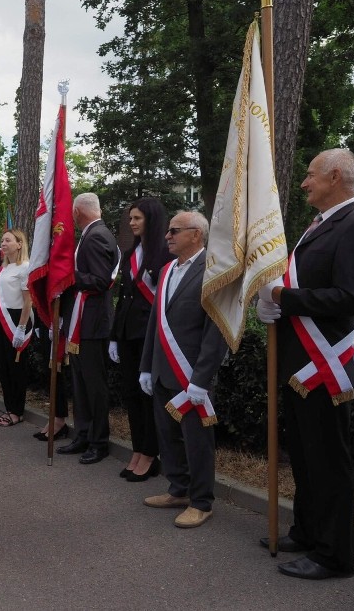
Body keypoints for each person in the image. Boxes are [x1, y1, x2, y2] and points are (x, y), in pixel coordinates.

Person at [257, 148, 354, 579]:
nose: (305, 182)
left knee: (328, 460)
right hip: (300, 361)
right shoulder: (320, 225)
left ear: (335, 177)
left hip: (324, 364)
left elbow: (349, 298)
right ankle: (307, 531)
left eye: (311, 175)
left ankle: (334, 554)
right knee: (305, 457)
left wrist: (282, 298)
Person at [139, 210, 228, 529]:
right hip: (163, 369)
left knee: (196, 440)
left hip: (192, 376)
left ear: (196, 234)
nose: (167, 236)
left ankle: (202, 501)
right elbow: (155, 323)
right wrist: (147, 366)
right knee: (168, 436)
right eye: (168, 230)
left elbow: (215, 331)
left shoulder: (214, 271)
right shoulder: (166, 270)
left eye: (175, 231)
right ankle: (179, 489)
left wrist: (202, 379)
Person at [110, 198, 172, 481]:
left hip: (149, 335)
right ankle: (137, 449)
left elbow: (163, 301)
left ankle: (150, 453)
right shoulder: (131, 252)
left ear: (152, 219)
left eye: (137, 218)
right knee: (131, 395)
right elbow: (123, 299)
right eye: (131, 218)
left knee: (147, 397)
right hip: (126, 334)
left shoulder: (165, 254)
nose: (132, 223)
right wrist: (114, 336)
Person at [57, 193, 119, 464]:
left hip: (93, 323)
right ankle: (83, 434)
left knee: (94, 386)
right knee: (81, 383)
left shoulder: (96, 236)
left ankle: (98, 441)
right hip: (84, 321)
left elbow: (99, 280)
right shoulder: (94, 234)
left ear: (77, 212)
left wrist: (70, 276)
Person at [0, 229, 33, 427]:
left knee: (16, 367)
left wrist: (21, 328)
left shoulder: (25, 267)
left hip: (16, 319)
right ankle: (9, 408)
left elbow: (28, 302)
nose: (3, 243)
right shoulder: (3, 268)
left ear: (19, 244)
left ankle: (17, 411)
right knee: (3, 366)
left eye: (7, 240)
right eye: (2, 240)